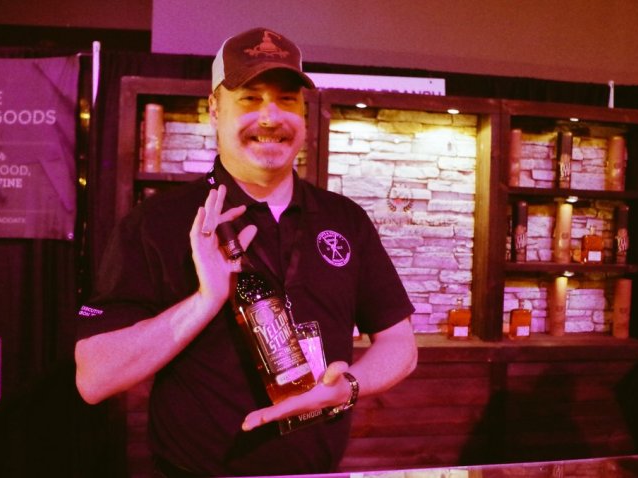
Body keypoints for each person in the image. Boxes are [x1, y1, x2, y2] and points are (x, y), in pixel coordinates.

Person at [75, 27, 417, 477]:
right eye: (250, 99)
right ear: (215, 109)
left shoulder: (344, 219)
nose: (270, 117)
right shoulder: (157, 222)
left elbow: (399, 343)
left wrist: (348, 386)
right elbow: (94, 378)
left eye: (286, 100)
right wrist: (205, 300)